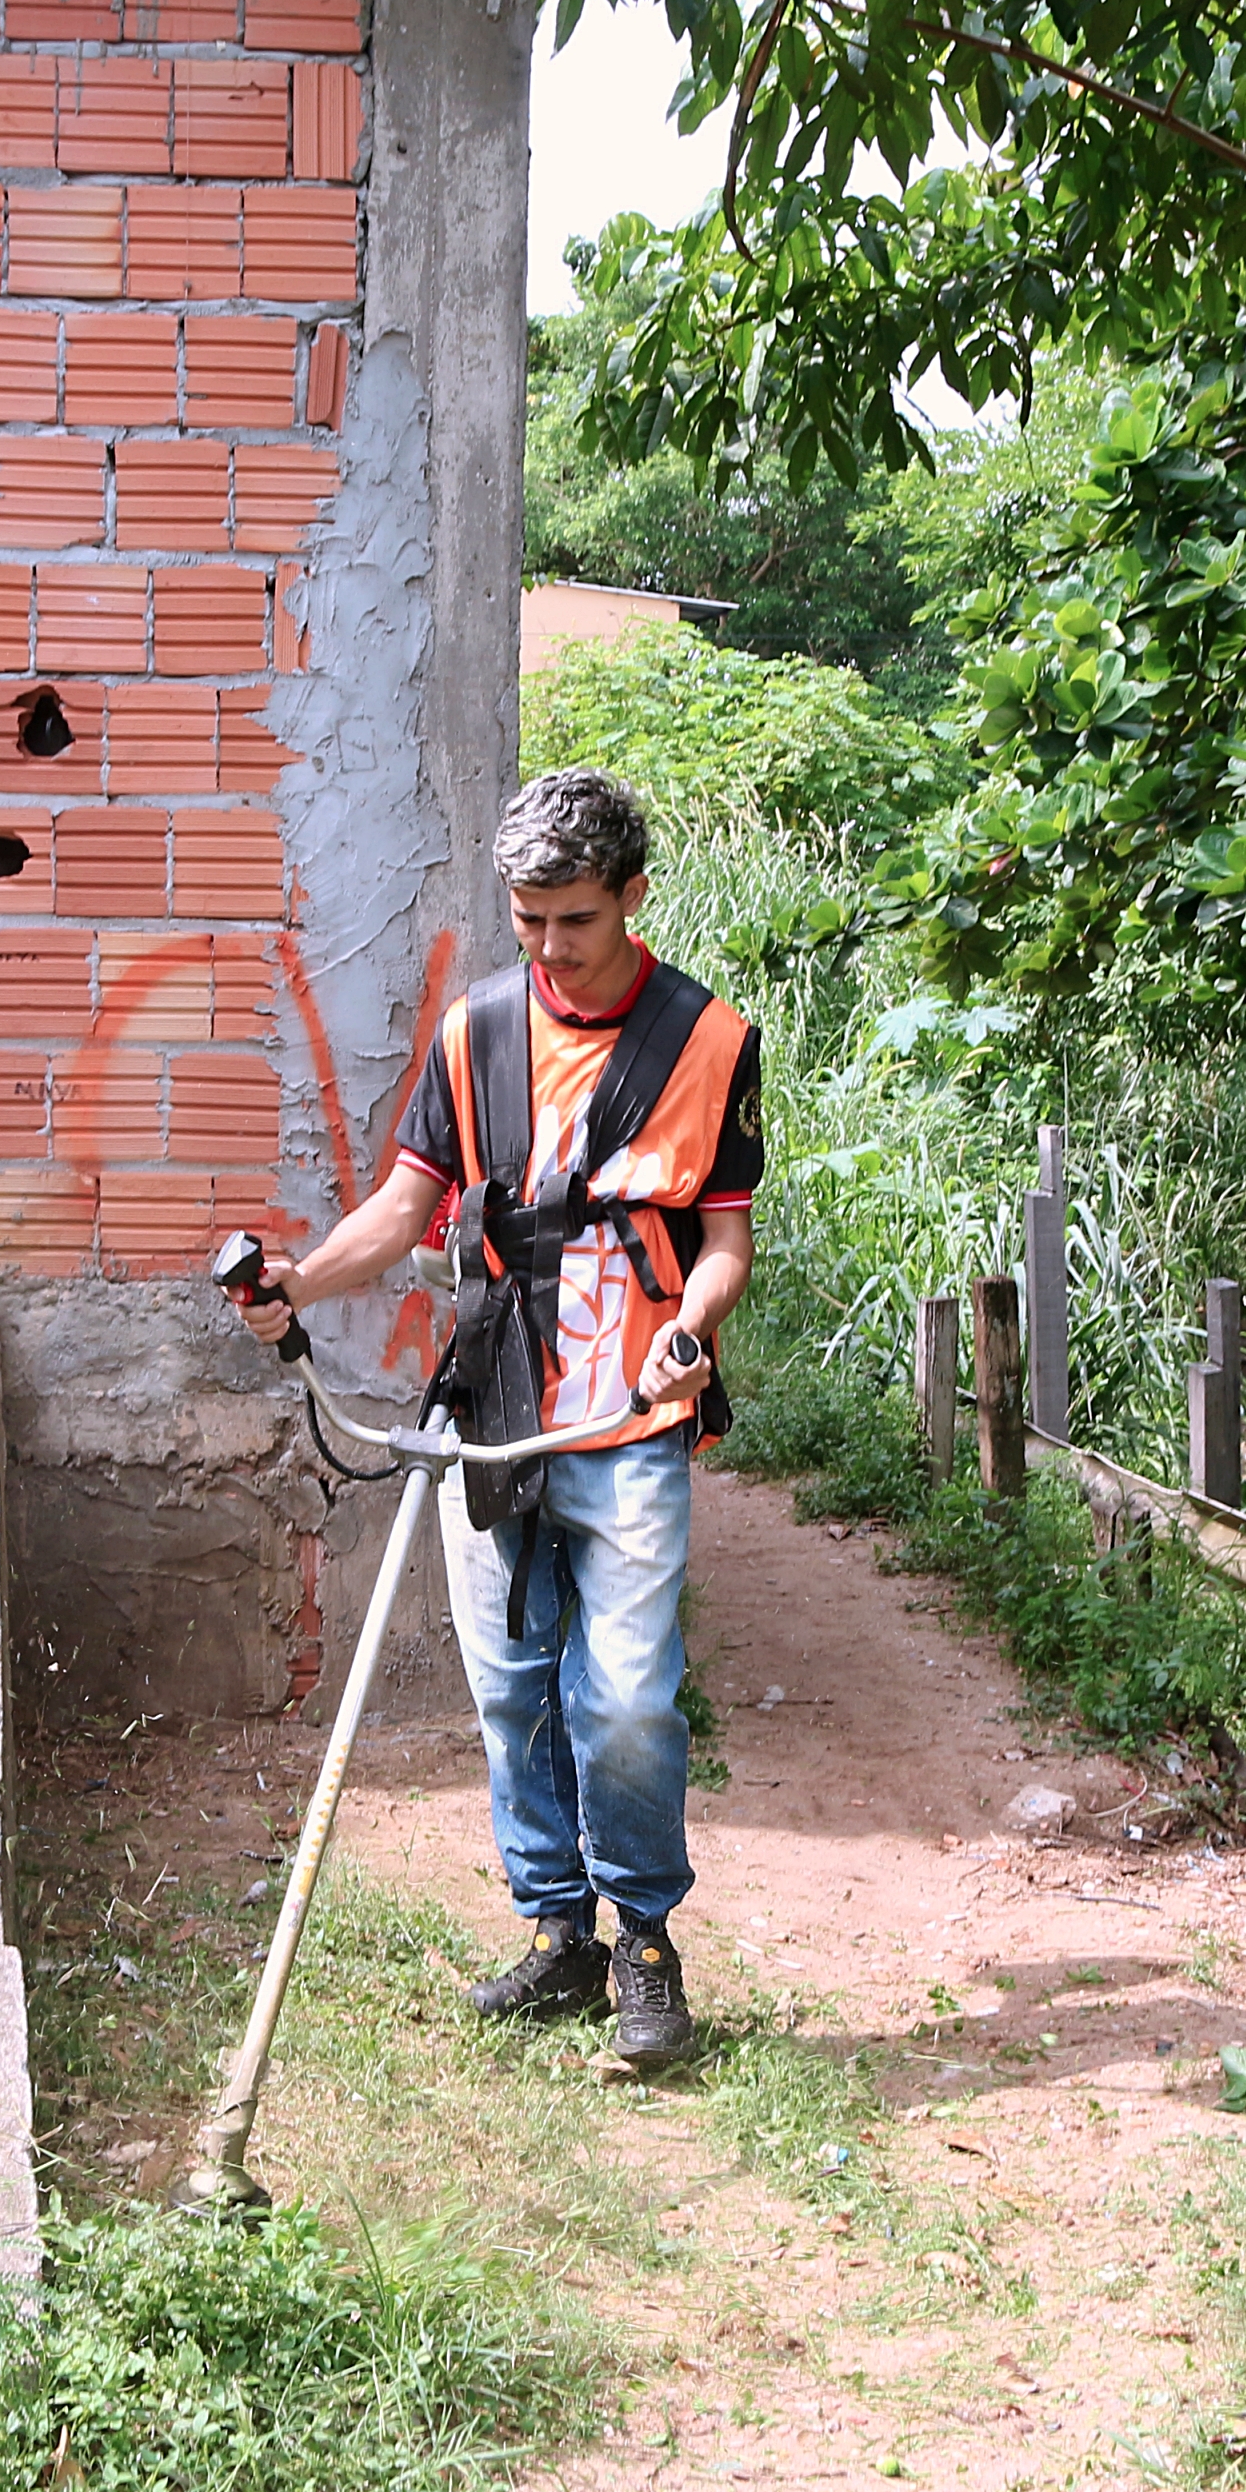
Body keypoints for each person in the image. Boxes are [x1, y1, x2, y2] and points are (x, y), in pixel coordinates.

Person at [224, 768, 761, 2066]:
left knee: (625, 1698)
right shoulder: (476, 1034)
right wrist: (299, 1280)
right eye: (526, 920)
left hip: (630, 1418)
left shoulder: (708, 1041)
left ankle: (644, 1943)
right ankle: (559, 1933)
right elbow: (406, 1210)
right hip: (495, 1400)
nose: (548, 946)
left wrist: (695, 1329)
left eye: (572, 919)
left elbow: (728, 1240)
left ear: (632, 896)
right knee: (511, 1683)